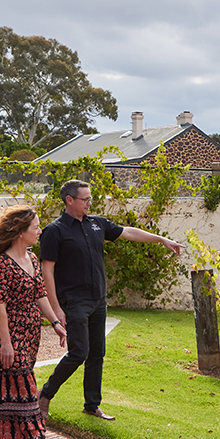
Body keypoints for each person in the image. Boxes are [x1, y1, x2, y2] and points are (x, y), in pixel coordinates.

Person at [38, 179, 184, 422]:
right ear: (69, 200)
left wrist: (161, 239)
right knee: (79, 352)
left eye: (90, 198)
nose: (89, 203)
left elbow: (128, 232)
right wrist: (56, 309)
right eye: (85, 199)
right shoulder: (55, 231)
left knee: (97, 353)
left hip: (98, 301)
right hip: (74, 302)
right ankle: (45, 393)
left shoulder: (97, 224)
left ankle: (91, 405)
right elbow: (47, 272)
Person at [0, 205, 69, 439]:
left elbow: (41, 294)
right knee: (26, 393)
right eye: (36, 227)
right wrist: (6, 343)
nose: (40, 231)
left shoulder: (32, 258)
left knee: (3, 392)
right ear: (20, 232)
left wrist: (55, 322)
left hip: (30, 334)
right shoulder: (2, 265)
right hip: (10, 335)